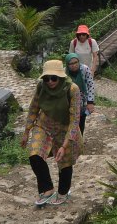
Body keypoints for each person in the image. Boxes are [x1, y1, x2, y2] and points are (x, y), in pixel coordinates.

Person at [21, 59, 84, 206]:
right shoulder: (41, 86)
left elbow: (75, 119)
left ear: (61, 77)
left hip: (65, 127)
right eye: (46, 78)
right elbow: (34, 108)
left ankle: (63, 192)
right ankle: (47, 189)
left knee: (65, 162)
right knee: (34, 154)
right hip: (44, 124)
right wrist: (26, 131)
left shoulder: (72, 89)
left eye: (54, 78)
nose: (50, 81)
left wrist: (64, 145)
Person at [64, 52, 94, 132]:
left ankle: (79, 141)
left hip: (82, 101)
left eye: (75, 62)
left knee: (81, 121)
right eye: (71, 63)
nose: (74, 65)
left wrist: (90, 102)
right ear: (67, 64)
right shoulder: (64, 73)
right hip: (69, 101)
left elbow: (90, 85)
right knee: (70, 121)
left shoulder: (84, 69)